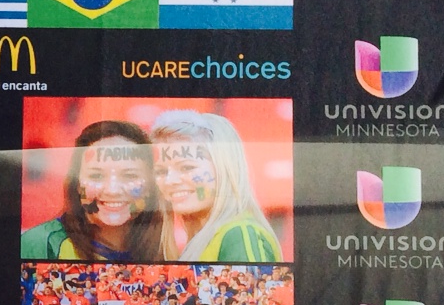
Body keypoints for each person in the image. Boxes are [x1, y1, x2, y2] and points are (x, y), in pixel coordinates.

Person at [149, 111, 282, 262]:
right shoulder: (208, 238)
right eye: (161, 171)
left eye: (186, 167)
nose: (169, 181)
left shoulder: (239, 235)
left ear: (224, 169)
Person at [20, 120, 162, 261]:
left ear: (150, 186)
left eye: (129, 176)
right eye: (97, 176)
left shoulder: (165, 246)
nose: (112, 190)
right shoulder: (41, 245)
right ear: (77, 183)